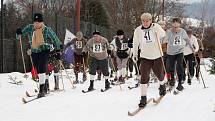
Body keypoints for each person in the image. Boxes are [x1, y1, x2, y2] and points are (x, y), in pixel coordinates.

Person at [16, 13, 62, 98]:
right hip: (34, 51)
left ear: (42, 22)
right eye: (35, 22)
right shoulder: (30, 28)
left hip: (44, 50)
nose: (36, 24)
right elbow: (19, 36)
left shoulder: (47, 30)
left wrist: (58, 50)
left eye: (38, 22)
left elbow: (56, 39)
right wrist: (18, 33)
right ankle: (44, 85)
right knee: (37, 68)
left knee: (41, 68)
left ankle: (42, 90)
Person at [133, 13, 166, 107]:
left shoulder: (156, 27)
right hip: (145, 57)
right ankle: (143, 98)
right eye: (143, 21)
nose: (145, 23)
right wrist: (135, 54)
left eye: (147, 21)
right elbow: (135, 43)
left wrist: (159, 28)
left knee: (159, 74)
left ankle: (162, 85)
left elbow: (163, 34)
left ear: (151, 20)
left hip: (157, 55)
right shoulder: (138, 30)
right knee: (144, 76)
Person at [165, 18, 194, 92]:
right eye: (174, 26)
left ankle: (180, 83)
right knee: (171, 67)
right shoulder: (169, 32)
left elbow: (187, 40)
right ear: (172, 25)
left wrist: (191, 48)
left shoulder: (183, 31)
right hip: (170, 52)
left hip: (179, 52)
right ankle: (172, 79)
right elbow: (164, 40)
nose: (176, 28)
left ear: (179, 25)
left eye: (177, 26)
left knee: (179, 66)